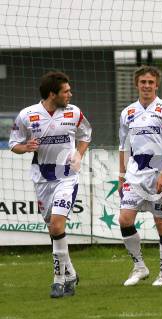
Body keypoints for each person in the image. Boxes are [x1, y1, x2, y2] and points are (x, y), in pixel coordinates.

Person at [9, 71, 92, 298]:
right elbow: (13, 143)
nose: (70, 94)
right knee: (53, 229)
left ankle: (58, 280)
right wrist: (25, 147)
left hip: (67, 177)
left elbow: (86, 135)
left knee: (56, 226)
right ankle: (71, 273)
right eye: (66, 91)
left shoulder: (74, 113)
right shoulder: (27, 115)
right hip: (42, 178)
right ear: (52, 94)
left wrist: (79, 154)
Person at [118, 66, 162, 287]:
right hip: (134, 176)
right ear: (137, 84)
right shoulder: (127, 113)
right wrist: (121, 176)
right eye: (143, 82)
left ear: (157, 85)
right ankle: (139, 267)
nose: (147, 85)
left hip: (159, 174)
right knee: (124, 219)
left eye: (151, 82)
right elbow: (123, 147)